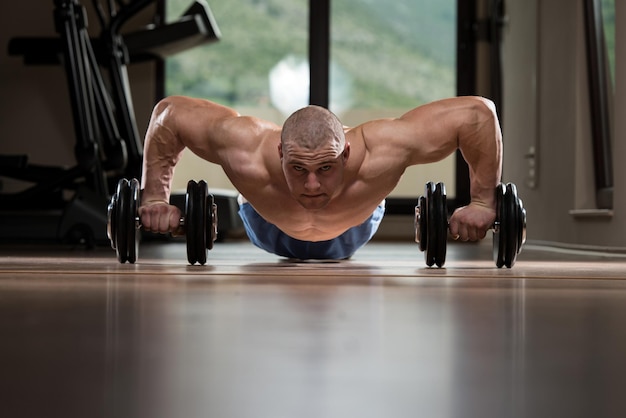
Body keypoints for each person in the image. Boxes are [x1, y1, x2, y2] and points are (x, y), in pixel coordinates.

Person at [138, 95, 502, 259]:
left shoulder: (382, 149)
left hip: (354, 226)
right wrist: (154, 197)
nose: (312, 186)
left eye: (325, 168)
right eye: (298, 169)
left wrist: (483, 201)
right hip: (268, 225)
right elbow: (169, 115)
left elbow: (477, 115)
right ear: (280, 153)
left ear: (345, 154)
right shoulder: (245, 146)